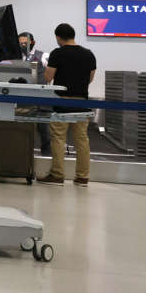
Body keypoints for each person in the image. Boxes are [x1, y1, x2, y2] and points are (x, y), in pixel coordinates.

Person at [37, 23, 96, 186]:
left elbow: (48, 77)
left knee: (58, 138)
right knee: (82, 139)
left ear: (58, 37)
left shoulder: (57, 53)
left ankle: (57, 175)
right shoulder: (89, 54)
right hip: (82, 102)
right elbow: (90, 79)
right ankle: (82, 177)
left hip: (62, 101)